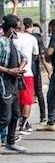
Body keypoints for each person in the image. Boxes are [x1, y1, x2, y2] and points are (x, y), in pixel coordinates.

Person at [0, 15, 26, 152]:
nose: (18, 30)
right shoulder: (2, 43)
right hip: (4, 84)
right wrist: (10, 71)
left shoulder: (13, 43)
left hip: (14, 84)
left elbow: (24, 57)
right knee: (5, 117)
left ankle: (10, 142)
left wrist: (20, 67)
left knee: (16, 114)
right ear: (11, 29)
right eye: (16, 27)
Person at [12, 18, 39, 135]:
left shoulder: (13, 38)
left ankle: (17, 123)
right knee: (27, 100)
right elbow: (35, 54)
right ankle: (23, 124)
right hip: (27, 73)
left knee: (16, 99)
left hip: (12, 73)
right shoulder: (32, 38)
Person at [27, 20, 48, 125]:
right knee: (39, 93)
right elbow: (42, 56)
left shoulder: (19, 37)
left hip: (23, 70)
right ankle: (43, 116)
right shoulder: (36, 37)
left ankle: (23, 120)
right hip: (34, 69)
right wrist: (48, 70)